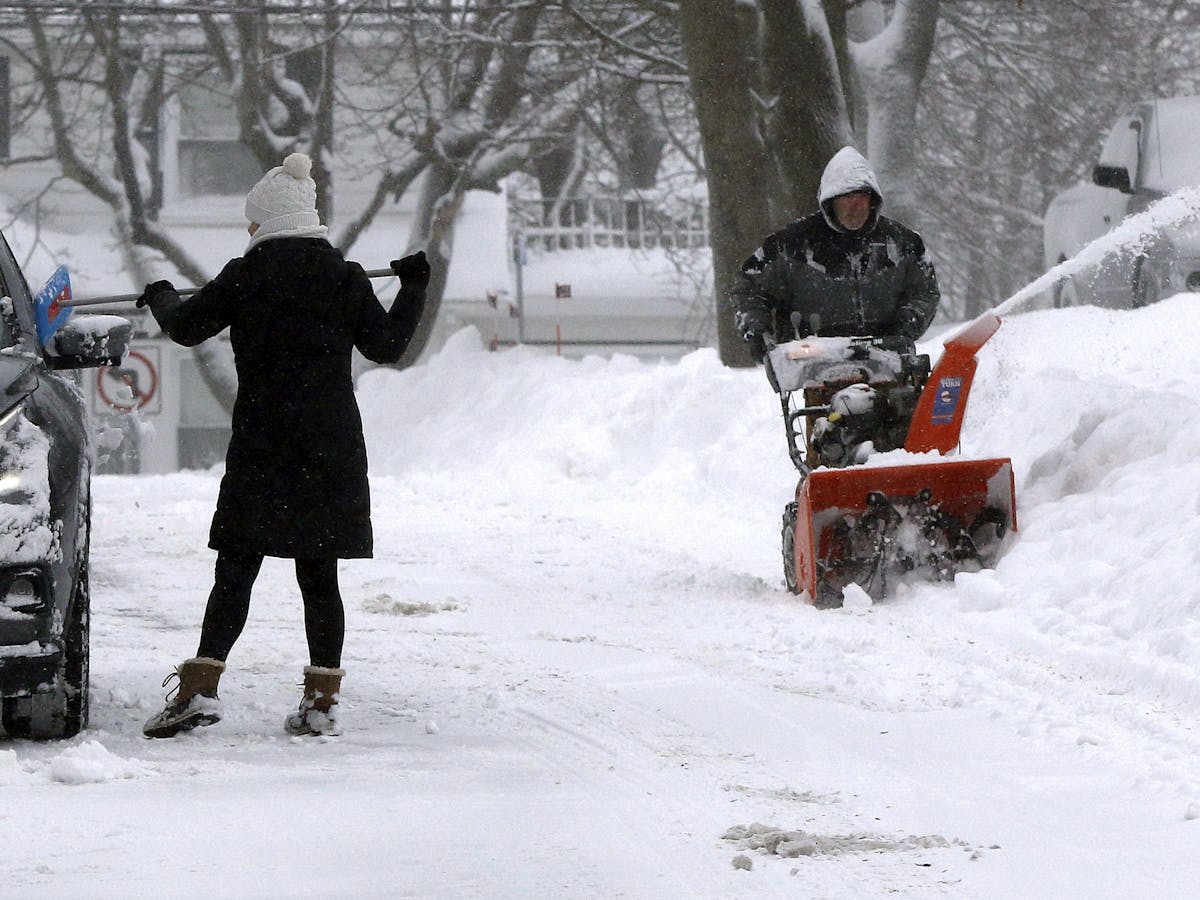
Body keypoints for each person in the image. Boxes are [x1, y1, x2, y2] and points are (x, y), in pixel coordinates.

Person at [139, 152, 430, 739]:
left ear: (267, 221)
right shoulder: (343, 276)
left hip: (265, 444)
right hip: (330, 445)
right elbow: (388, 346)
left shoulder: (247, 274)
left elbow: (186, 326)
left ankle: (198, 691)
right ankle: (321, 703)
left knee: (237, 568)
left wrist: (162, 293)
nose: (248, 232)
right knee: (319, 574)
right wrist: (415, 287)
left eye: (252, 223)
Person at [729, 146, 940, 362]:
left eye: (862, 196)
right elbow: (748, 287)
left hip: (888, 360)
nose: (855, 205)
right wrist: (757, 330)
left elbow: (925, 291)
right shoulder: (791, 245)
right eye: (846, 197)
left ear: (873, 200)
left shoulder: (903, 243)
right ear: (830, 201)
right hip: (815, 363)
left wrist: (904, 327)